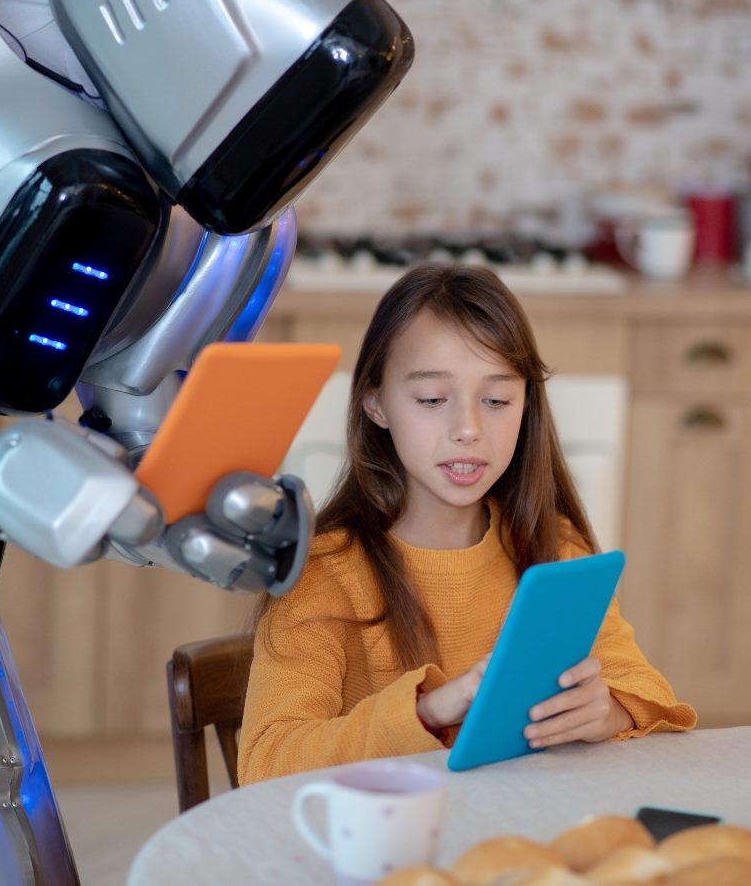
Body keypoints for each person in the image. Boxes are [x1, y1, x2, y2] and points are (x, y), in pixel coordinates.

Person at [238, 263, 696, 784]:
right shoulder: (321, 572)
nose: (468, 429)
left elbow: (649, 691)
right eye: (432, 400)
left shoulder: (555, 546)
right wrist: (428, 712)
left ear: (527, 407)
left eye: (497, 401)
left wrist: (609, 709)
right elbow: (266, 763)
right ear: (375, 402)